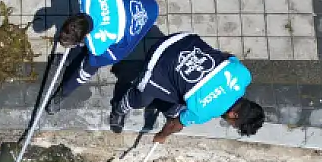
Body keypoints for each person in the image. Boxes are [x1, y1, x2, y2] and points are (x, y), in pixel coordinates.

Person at [45, 0, 159, 113]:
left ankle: (62, 95)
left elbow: (98, 52)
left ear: (83, 38)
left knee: (85, 70)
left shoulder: (98, 46)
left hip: (145, 14)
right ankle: (71, 58)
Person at [110, 31, 265, 143]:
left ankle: (167, 100)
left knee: (183, 103)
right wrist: (162, 136)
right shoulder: (203, 113)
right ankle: (119, 109)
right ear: (234, 115)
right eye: (234, 125)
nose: (231, 125)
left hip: (181, 40)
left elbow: (225, 55)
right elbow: (173, 125)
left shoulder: (244, 75)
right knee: (140, 99)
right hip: (157, 60)